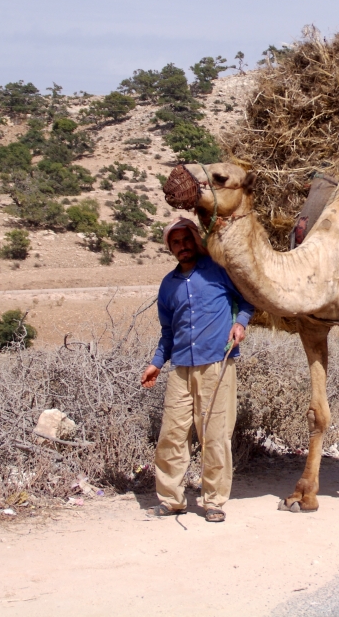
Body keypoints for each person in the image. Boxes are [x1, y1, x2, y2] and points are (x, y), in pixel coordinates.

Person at [141, 217, 253, 523]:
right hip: (180, 369)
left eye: (186, 239)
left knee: (215, 435)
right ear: (170, 248)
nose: (182, 246)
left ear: (195, 239)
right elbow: (168, 332)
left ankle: (214, 501)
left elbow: (247, 300)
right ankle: (171, 500)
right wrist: (155, 364)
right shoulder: (168, 285)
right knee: (172, 435)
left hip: (217, 363)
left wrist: (240, 324)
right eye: (175, 242)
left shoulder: (218, 270)